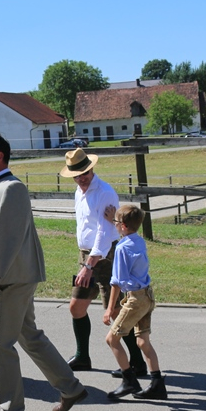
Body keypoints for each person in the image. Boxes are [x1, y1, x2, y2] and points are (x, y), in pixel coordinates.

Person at [0, 133, 88, 411]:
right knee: (29, 336)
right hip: (10, 275)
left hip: (11, 278)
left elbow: (9, 239)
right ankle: (71, 388)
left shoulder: (12, 188)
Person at [60, 148, 148, 377]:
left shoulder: (105, 192)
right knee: (76, 307)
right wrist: (86, 261)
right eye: (77, 175)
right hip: (86, 256)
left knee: (117, 311)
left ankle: (137, 363)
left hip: (104, 257)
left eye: (85, 173)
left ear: (92, 169)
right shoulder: (79, 192)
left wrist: (90, 265)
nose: (82, 178)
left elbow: (104, 231)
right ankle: (82, 356)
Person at [103, 205, 167, 400]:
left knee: (112, 339)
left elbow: (116, 281)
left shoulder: (122, 248)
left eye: (115, 222)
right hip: (147, 296)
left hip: (135, 299)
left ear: (122, 226)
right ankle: (157, 384)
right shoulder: (139, 241)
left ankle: (129, 380)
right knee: (142, 341)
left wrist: (110, 308)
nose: (114, 225)